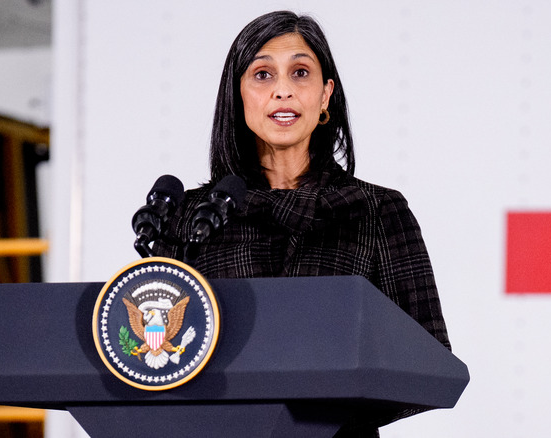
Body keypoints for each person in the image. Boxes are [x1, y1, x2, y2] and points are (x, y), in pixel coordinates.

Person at [153, 10, 450, 437]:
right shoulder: (195, 216)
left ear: (325, 95)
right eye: (262, 75)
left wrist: (322, 416)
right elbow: (156, 354)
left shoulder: (378, 210)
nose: (283, 91)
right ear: (238, 95)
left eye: (300, 73)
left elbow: (428, 360)